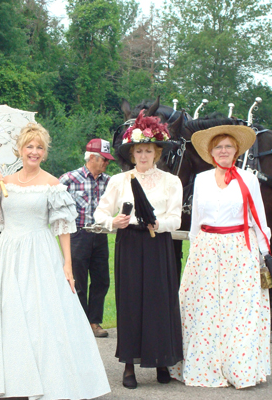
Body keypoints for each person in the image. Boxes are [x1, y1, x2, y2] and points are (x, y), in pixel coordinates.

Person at [0, 123, 110, 400]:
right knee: (3, 313)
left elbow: (63, 226)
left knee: (39, 313)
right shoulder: (6, 182)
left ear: (44, 152)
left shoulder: (53, 184)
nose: (34, 151)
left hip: (40, 252)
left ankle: (43, 378)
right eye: (29, 146)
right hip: (7, 252)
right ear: (19, 150)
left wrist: (68, 265)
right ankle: (1, 375)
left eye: (39, 147)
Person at [169, 125, 271, 388]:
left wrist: (263, 254)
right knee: (204, 310)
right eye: (218, 147)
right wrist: (195, 251)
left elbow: (258, 218)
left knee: (240, 312)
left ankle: (240, 368)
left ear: (236, 150)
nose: (223, 151)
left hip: (240, 249)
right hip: (206, 248)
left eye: (228, 146)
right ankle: (204, 366)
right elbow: (195, 220)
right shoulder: (201, 179)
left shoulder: (249, 179)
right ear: (211, 152)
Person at [94, 113, 183, 389]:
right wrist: (114, 221)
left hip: (159, 244)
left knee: (159, 301)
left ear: (157, 152)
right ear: (132, 154)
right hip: (130, 243)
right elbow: (99, 214)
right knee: (131, 302)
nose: (143, 155)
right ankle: (129, 365)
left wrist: (160, 222)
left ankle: (161, 361)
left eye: (148, 150)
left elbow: (177, 219)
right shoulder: (118, 181)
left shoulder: (172, 181)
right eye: (138, 151)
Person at [59, 138, 114, 337]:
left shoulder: (109, 181)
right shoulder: (69, 179)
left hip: (99, 234)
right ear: (92, 157)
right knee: (78, 280)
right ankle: (80, 322)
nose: (107, 164)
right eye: (104, 160)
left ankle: (94, 322)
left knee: (101, 279)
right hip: (78, 234)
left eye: (108, 161)